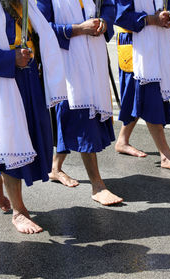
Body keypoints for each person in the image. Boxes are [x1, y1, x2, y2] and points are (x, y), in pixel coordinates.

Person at [0, 0, 67, 233]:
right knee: (11, 143)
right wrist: (10, 59)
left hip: (29, 80)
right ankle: (19, 211)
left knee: (27, 141)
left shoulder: (26, 3)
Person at [37, 0, 123, 206]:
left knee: (76, 120)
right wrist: (77, 29)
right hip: (68, 65)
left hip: (94, 56)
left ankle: (55, 168)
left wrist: (104, 21)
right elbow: (40, 27)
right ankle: (97, 186)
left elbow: (109, 6)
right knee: (82, 121)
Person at [113, 0, 170, 171]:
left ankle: (122, 140)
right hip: (136, 46)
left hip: (157, 42)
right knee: (149, 97)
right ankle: (166, 156)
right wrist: (150, 20)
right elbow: (119, 15)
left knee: (139, 97)